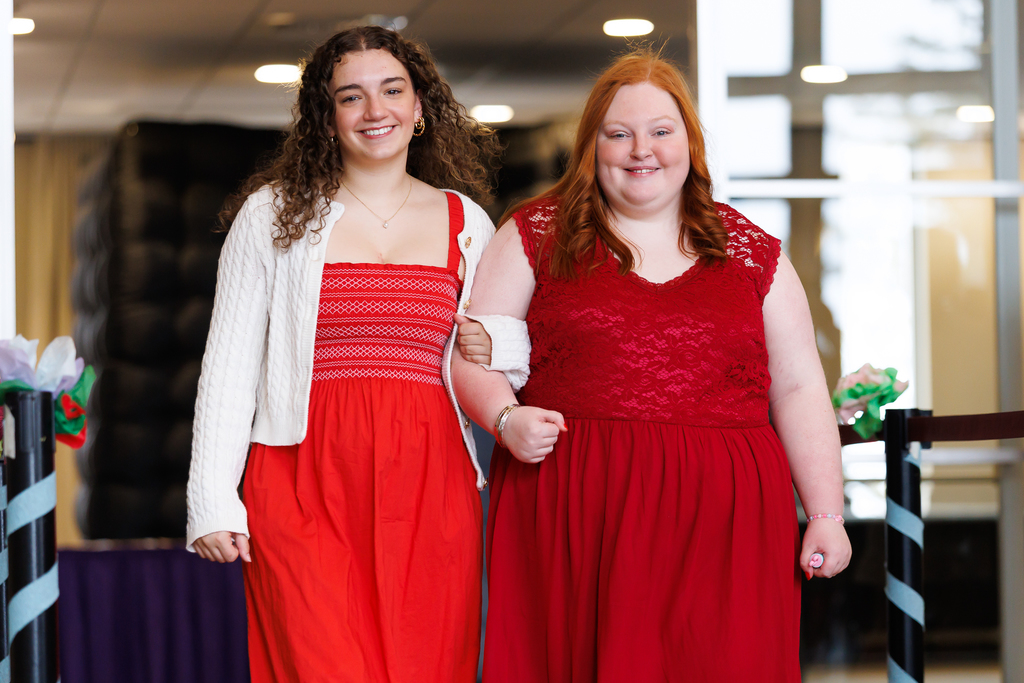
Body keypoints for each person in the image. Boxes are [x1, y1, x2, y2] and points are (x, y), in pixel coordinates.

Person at [453, 47, 853, 681]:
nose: (642, 150)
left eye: (661, 132)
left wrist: (826, 514)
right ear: (592, 147)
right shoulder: (535, 234)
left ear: (689, 143)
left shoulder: (752, 252)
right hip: (578, 511)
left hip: (728, 525)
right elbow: (468, 353)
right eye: (619, 134)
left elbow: (800, 387)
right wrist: (504, 419)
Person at [185, 25, 520, 683]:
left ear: (419, 106)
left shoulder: (468, 223)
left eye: (392, 90)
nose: (375, 111)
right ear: (326, 114)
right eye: (351, 96)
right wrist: (211, 497)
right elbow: (227, 368)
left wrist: (501, 342)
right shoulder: (271, 215)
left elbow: (504, 356)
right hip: (302, 480)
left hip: (431, 486)